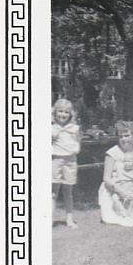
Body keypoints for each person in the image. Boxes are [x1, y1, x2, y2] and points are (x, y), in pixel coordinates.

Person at [51, 98, 81, 228]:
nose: (63, 114)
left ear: (70, 114)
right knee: (53, 192)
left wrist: (75, 149)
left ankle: (69, 219)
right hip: (56, 160)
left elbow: (77, 143)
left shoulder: (74, 128)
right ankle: (49, 219)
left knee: (68, 191)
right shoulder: (52, 128)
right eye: (60, 111)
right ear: (55, 112)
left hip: (70, 160)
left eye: (66, 112)